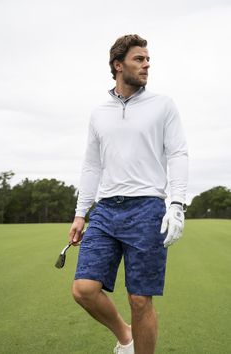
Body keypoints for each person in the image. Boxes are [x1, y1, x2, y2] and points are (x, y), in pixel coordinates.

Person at [69, 34, 188, 354]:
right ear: (118, 65)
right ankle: (126, 337)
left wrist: (176, 205)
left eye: (148, 59)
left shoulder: (163, 105)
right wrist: (81, 213)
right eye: (139, 59)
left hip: (148, 208)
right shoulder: (98, 112)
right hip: (106, 210)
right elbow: (92, 165)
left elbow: (178, 154)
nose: (147, 64)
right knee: (83, 289)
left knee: (139, 299)